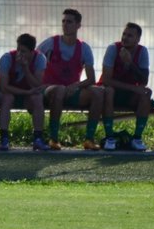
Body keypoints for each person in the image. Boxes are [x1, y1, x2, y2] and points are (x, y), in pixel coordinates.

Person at [38, 8, 105, 150]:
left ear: (78, 25)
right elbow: (33, 59)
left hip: (70, 90)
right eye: (63, 21)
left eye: (69, 21)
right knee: (59, 90)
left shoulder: (84, 48)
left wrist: (76, 85)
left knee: (98, 93)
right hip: (49, 89)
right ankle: (53, 139)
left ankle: (89, 139)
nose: (65, 24)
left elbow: (91, 79)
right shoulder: (50, 43)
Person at [98, 23, 152, 151]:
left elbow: (144, 80)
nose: (125, 38)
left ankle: (137, 138)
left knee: (146, 93)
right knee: (109, 91)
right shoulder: (113, 48)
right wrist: (133, 88)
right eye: (124, 34)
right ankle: (110, 137)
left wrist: (130, 63)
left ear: (138, 39)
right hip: (111, 93)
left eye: (130, 35)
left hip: (128, 95)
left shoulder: (142, 51)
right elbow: (106, 80)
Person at [0, 33, 50, 151]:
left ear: (32, 52)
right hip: (11, 91)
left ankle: (38, 138)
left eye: (24, 51)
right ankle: (4, 139)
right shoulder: (7, 58)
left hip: (28, 93)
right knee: (7, 98)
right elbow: (4, 87)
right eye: (18, 50)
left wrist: (25, 68)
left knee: (37, 98)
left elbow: (37, 84)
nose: (20, 54)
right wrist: (27, 93)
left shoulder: (40, 59)